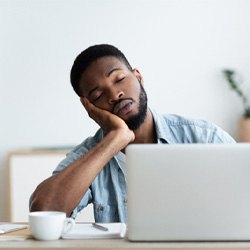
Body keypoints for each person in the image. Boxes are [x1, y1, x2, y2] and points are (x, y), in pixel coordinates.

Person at [29, 44, 235, 223]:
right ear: (89, 107)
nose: (114, 94)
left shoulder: (202, 137)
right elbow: (44, 210)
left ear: (138, 77)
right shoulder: (90, 154)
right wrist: (115, 140)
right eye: (98, 94)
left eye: (119, 79)